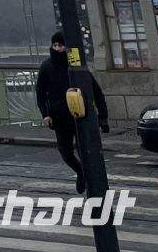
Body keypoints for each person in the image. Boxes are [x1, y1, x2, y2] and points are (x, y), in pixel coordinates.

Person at [37, 29, 109, 196]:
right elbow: (40, 93)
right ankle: (81, 172)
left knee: (84, 148)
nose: (57, 48)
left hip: (80, 115)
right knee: (66, 153)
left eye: (60, 45)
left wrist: (102, 117)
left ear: (66, 47)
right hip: (59, 117)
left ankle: (91, 181)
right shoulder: (46, 67)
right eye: (54, 45)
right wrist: (45, 114)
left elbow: (96, 91)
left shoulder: (76, 66)